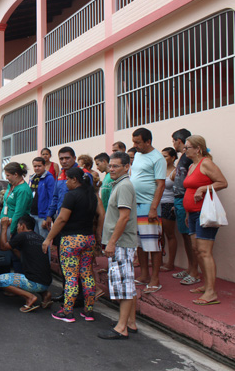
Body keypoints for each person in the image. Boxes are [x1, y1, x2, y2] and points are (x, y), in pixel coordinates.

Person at [43, 167, 105, 323]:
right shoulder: (92, 195)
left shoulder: (71, 196)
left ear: (75, 180)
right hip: (88, 239)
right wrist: (98, 234)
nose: (66, 183)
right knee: (87, 274)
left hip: (71, 240)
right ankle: (88, 311)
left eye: (68, 180)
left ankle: (67, 311)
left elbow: (62, 219)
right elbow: (102, 214)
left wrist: (48, 238)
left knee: (71, 276)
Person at [97, 152, 139, 340]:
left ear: (126, 167)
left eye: (115, 166)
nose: (111, 169)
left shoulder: (124, 186)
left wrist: (112, 242)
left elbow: (124, 217)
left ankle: (122, 327)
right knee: (126, 283)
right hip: (121, 242)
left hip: (121, 243)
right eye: (110, 166)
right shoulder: (119, 184)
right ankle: (130, 322)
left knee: (124, 285)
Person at [43, 146, 93, 302]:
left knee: (81, 269)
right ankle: (68, 294)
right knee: (65, 265)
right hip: (61, 225)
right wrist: (49, 215)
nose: (64, 161)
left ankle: (78, 299)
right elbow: (55, 198)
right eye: (61, 159)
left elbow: (90, 198)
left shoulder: (84, 175)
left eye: (67, 158)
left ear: (74, 158)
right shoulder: (61, 176)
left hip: (78, 226)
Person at [182, 135, 228, 305]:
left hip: (205, 214)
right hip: (193, 214)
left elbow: (223, 182)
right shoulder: (192, 166)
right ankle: (206, 285)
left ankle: (211, 292)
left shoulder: (206, 163)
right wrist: (187, 213)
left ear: (198, 149)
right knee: (196, 249)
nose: (185, 150)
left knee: (204, 251)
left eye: (187, 147)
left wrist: (203, 188)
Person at [131, 127, 166, 294]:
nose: (135, 145)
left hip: (148, 206)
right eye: (134, 142)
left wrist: (153, 208)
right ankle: (144, 274)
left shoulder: (157, 158)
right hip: (135, 205)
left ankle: (155, 278)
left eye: (138, 142)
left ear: (148, 141)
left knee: (153, 244)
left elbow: (161, 184)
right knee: (139, 243)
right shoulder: (138, 155)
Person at [0, 215, 52, 312]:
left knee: (1, 280)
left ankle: (30, 297)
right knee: (33, 275)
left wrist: (4, 227)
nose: (17, 228)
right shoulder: (40, 238)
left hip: (34, 283)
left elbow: (3, 247)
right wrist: (13, 247)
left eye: (18, 226)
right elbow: (24, 258)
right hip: (46, 283)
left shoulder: (22, 235)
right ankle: (45, 294)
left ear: (22, 226)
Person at [170, 128, 199, 284]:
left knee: (190, 237)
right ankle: (190, 268)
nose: (173, 144)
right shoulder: (183, 158)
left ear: (178, 141)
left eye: (173, 141)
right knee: (185, 236)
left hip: (185, 200)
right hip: (179, 200)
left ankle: (194, 271)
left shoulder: (189, 159)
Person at [1, 162, 33, 273]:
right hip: (7, 224)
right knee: (6, 255)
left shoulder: (23, 190)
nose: (6, 178)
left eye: (8, 175)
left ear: (15, 174)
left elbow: (19, 212)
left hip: (15, 226)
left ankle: (19, 283)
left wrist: (12, 231)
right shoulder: (12, 185)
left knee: (16, 255)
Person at [160, 147, 178, 272]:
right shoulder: (159, 170)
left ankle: (170, 263)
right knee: (159, 234)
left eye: (165, 156)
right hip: (158, 204)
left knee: (170, 234)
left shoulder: (176, 172)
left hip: (169, 204)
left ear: (172, 157)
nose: (163, 158)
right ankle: (159, 260)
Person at [29, 157, 55, 240]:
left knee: (43, 241)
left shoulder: (49, 178)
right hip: (32, 214)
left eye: (39, 166)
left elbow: (52, 198)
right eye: (35, 166)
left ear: (44, 166)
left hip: (42, 216)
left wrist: (48, 217)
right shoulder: (32, 178)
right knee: (35, 241)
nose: (37, 168)